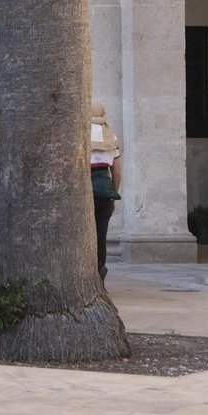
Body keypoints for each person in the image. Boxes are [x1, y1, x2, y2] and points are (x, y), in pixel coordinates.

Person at [91, 101, 123, 281]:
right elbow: (117, 173)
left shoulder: (80, 136)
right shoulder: (112, 138)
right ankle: (100, 269)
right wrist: (113, 195)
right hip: (105, 192)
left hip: (87, 191)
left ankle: (90, 271)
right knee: (101, 235)